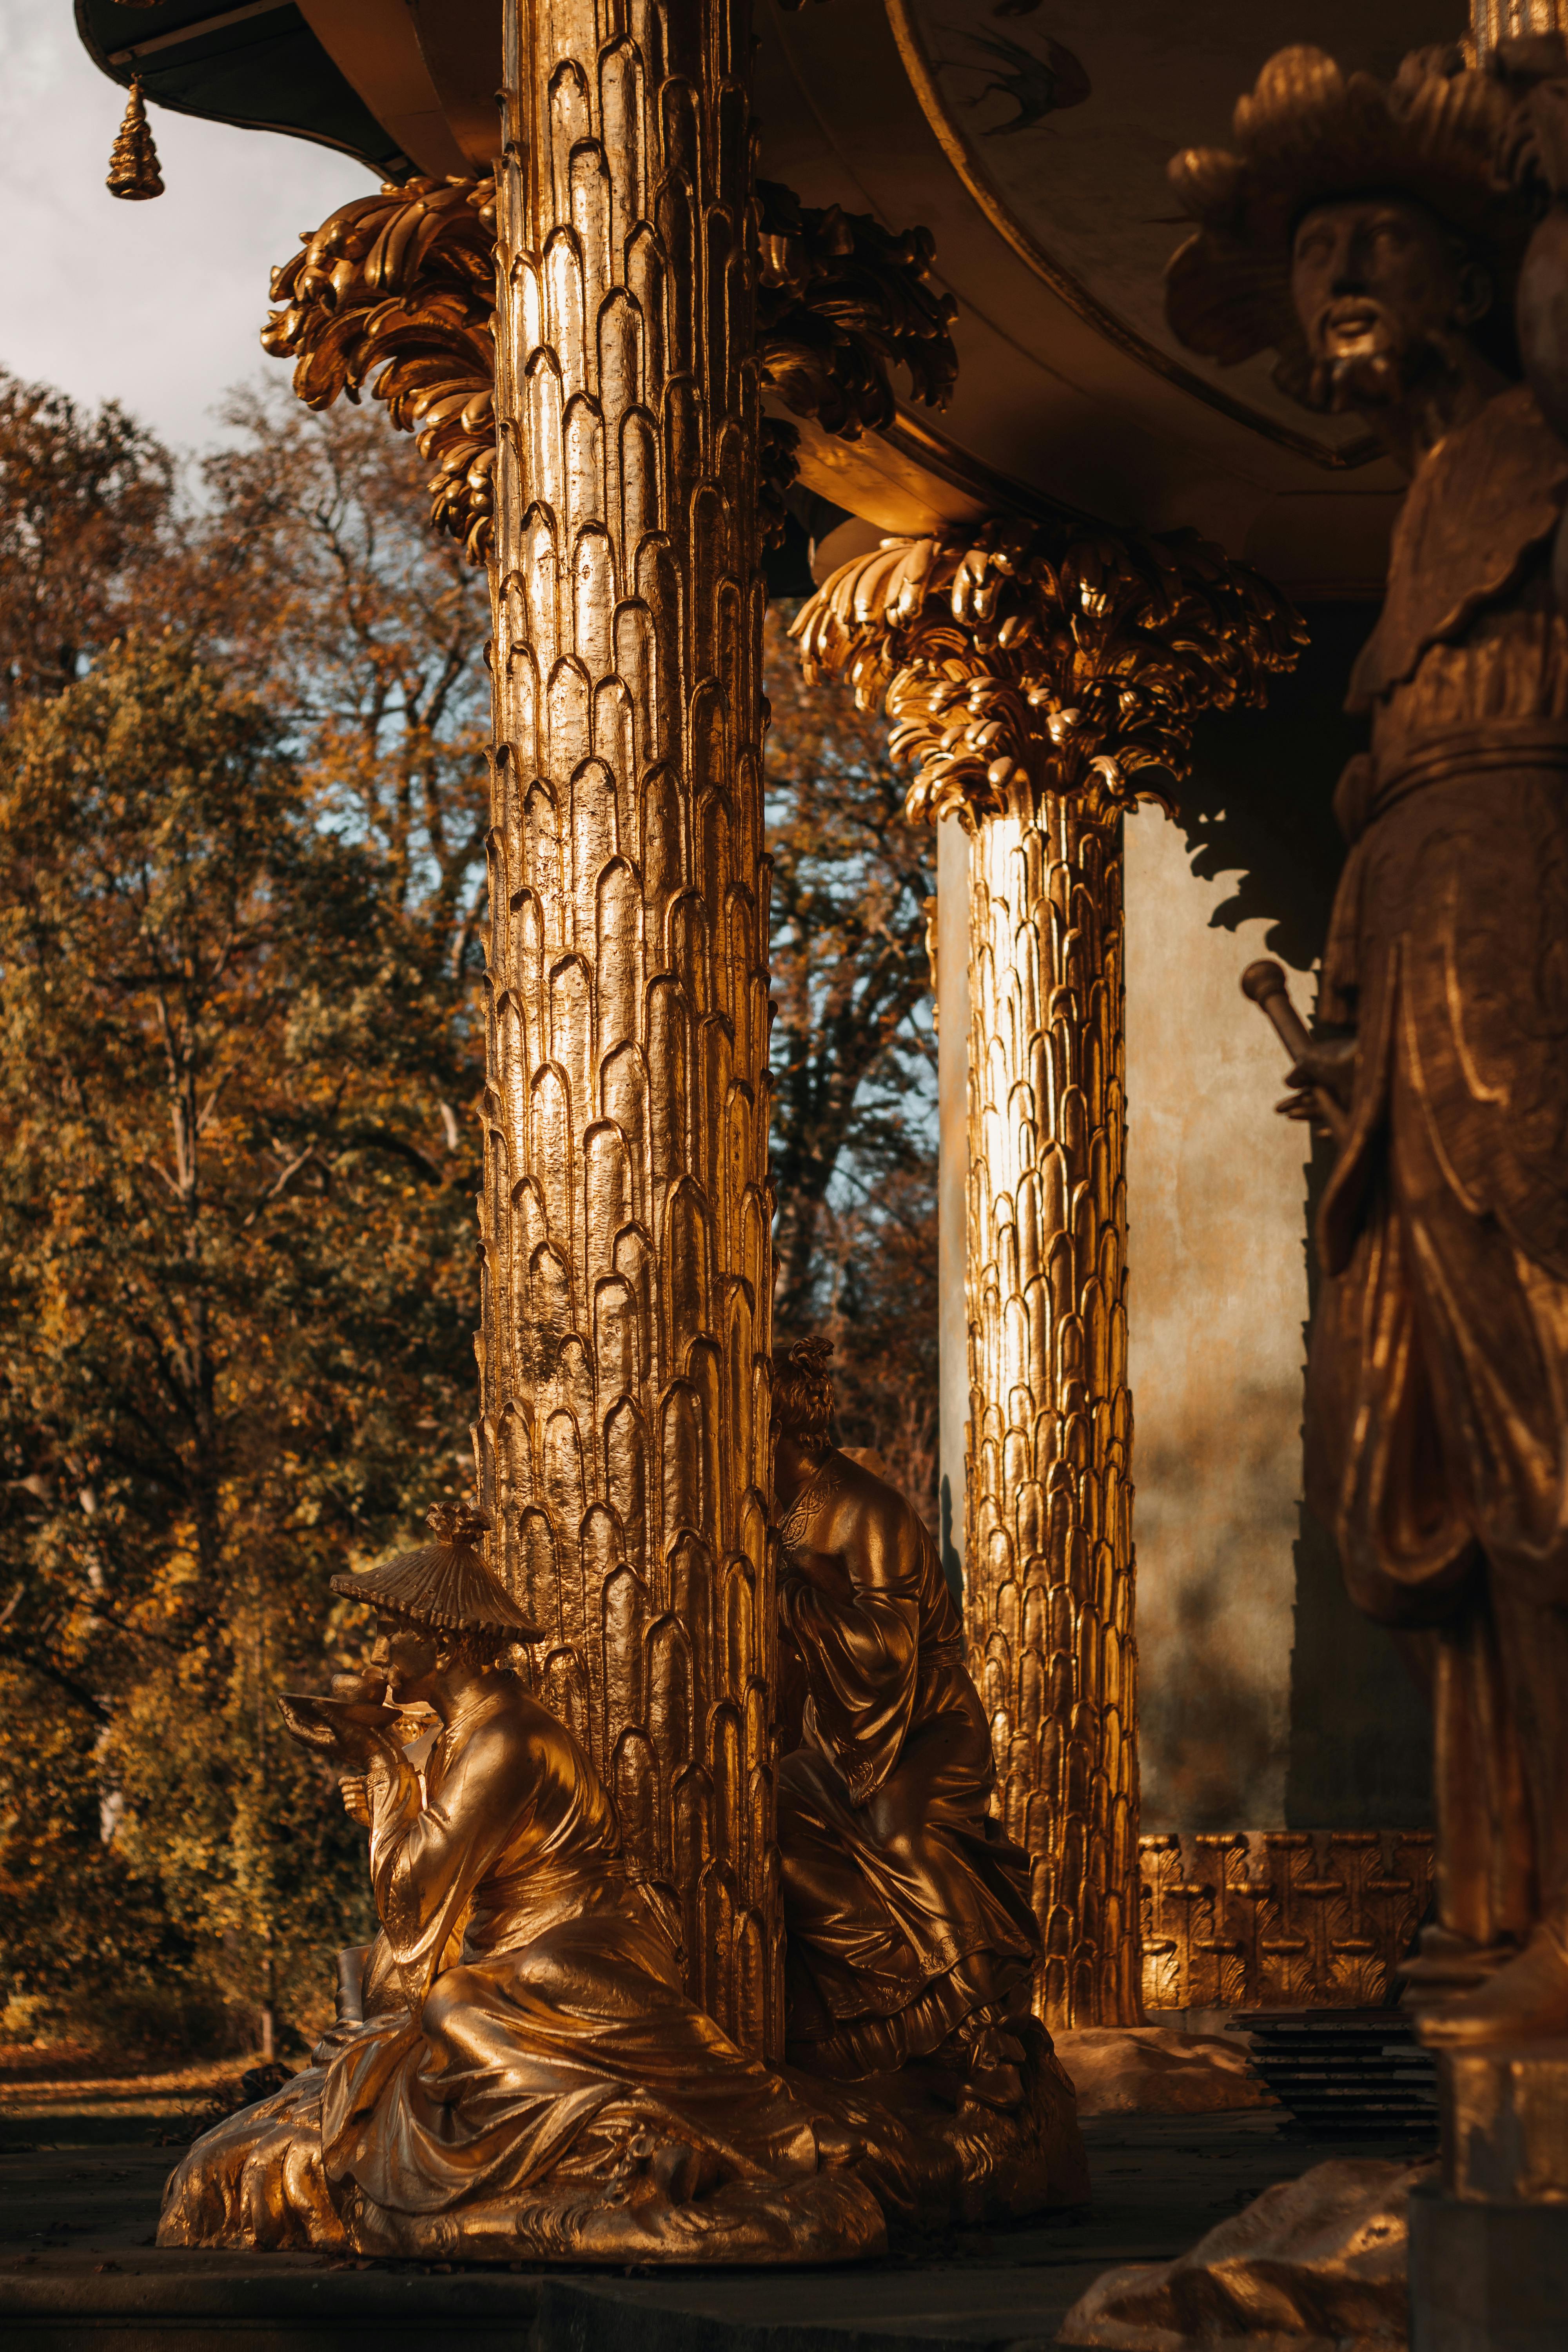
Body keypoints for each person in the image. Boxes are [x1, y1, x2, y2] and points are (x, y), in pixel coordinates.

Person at [1165, 41, 1568, 2044]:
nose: (1332, 273)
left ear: (1477, 272)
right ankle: (1504, 1909)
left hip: (1521, 1003)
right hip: (1429, 1007)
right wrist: (1354, 1037)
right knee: (1454, 1473)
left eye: (1371, 240)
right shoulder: (1428, 506)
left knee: (1546, 1439)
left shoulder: (1538, 445)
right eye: (1309, 244)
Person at [158, 1502, 886, 2262]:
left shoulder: (505, 1739)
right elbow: (426, 1891)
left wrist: (378, 1771)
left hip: (584, 1946)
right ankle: (601, 2126)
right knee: (426, 2013)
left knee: (453, 2002)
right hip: (509, 1955)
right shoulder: (457, 1737)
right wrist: (388, 1789)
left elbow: (411, 1900)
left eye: (392, 1632)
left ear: (442, 1646)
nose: (379, 1649)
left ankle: (678, 2128)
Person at [771, 1339, 1047, 2105]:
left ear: (779, 1427)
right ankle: (880, 2012)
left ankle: (978, 2021)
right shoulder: (772, 1511)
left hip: (926, 1724)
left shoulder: (862, 1507)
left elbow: (885, 1649)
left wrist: (794, 1600)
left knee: (899, 1831)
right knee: (770, 1832)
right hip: (842, 1740)